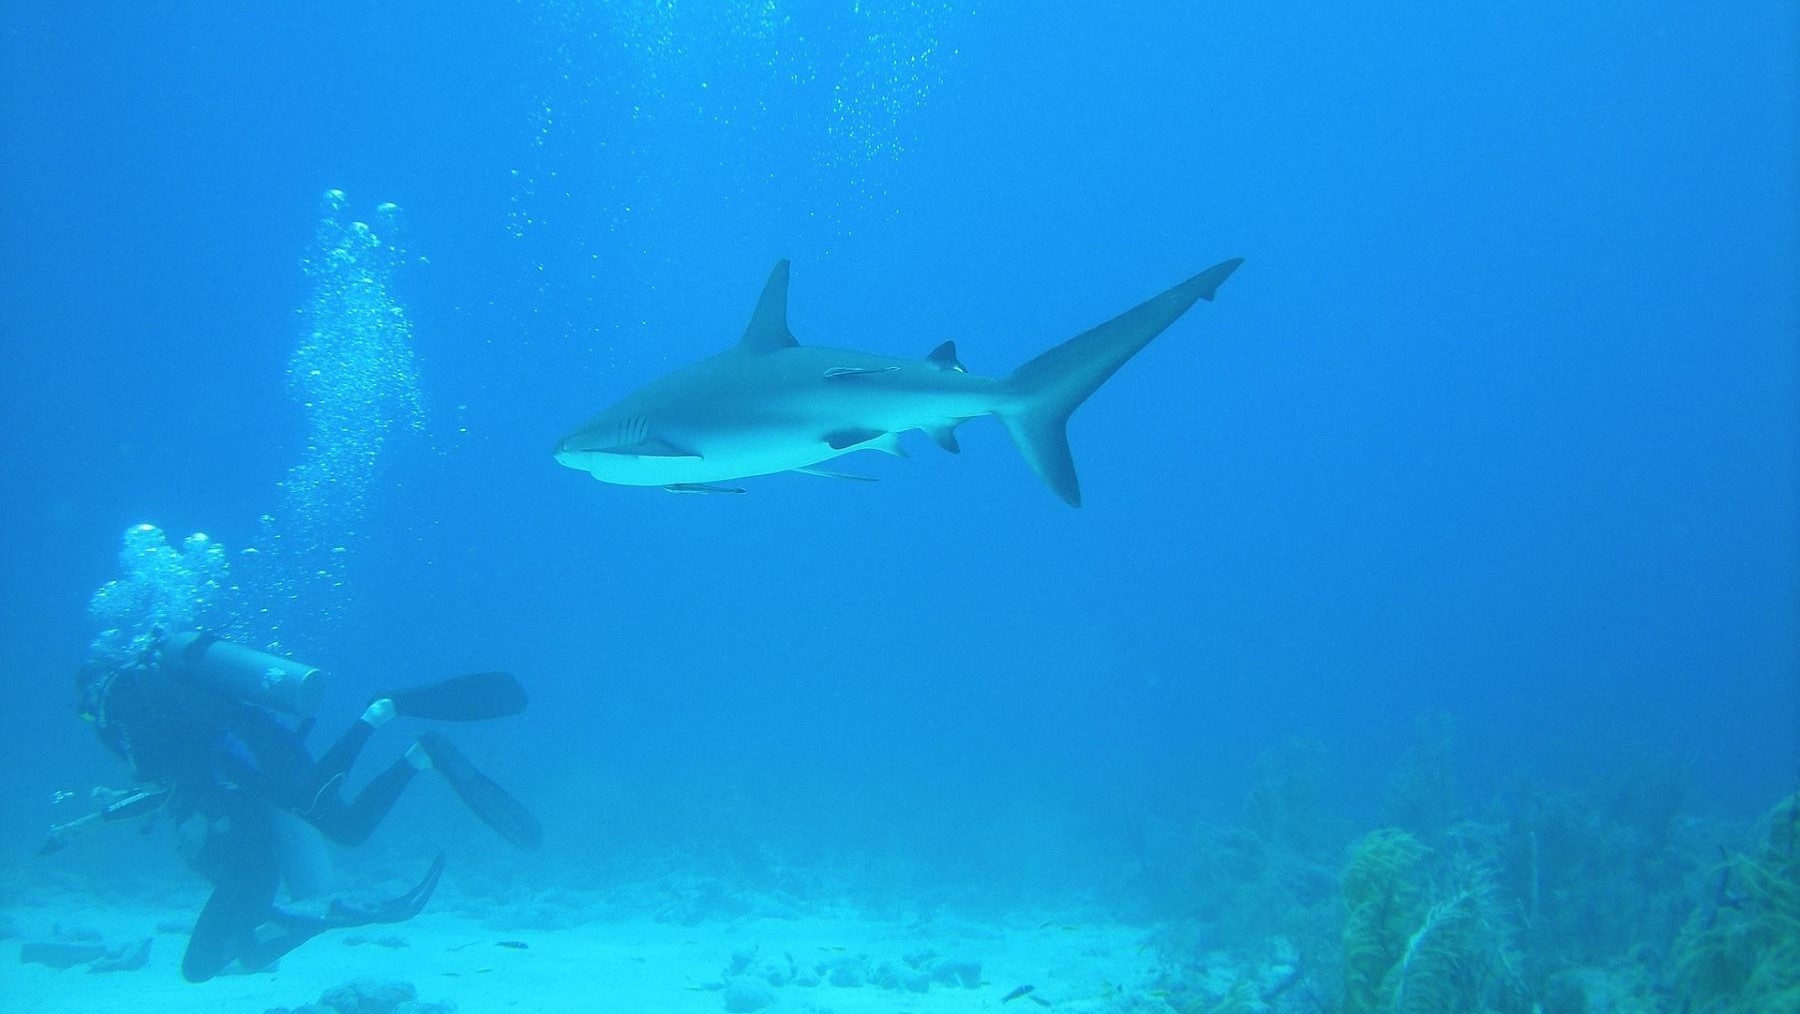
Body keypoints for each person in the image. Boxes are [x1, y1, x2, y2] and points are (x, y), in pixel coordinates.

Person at [49, 631, 542, 982]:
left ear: (91, 694)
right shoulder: (144, 692)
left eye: (87, 712)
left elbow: (183, 761)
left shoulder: (125, 702)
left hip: (254, 756)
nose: (93, 722)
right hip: (257, 755)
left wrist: (192, 812)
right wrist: (114, 809)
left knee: (318, 805)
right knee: (347, 829)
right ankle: (419, 755)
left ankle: (381, 710)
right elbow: (175, 772)